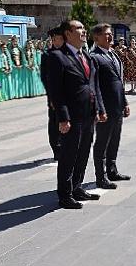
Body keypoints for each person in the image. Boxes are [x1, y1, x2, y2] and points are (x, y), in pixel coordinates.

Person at [47, 20, 103, 209]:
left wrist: (96, 110)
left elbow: (91, 86)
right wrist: (63, 118)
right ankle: (64, 195)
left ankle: (77, 187)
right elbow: (56, 91)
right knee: (68, 156)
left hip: (87, 114)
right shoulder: (57, 57)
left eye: (83, 28)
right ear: (68, 34)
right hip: (71, 117)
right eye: (78, 29)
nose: (83, 31)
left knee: (83, 153)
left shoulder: (85, 55)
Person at [90, 23, 131, 190]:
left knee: (115, 139)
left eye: (110, 34)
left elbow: (119, 82)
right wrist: (99, 109)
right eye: (106, 34)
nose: (110, 36)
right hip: (105, 108)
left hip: (117, 106)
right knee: (102, 142)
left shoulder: (113, 54)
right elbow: (94, 85)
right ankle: (101, 176)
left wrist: (125, 102)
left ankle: (112, 170)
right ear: (96, 38)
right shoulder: (94, 56)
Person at [40, 27, 65, 160]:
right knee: (55, 121)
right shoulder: (47, 55)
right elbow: (45, 77)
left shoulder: (69, 54)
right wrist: (51, 96)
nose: (57, 42)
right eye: (54, 39)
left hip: (69, 95)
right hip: (54, 95)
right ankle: (57, 148)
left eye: (60, 39)